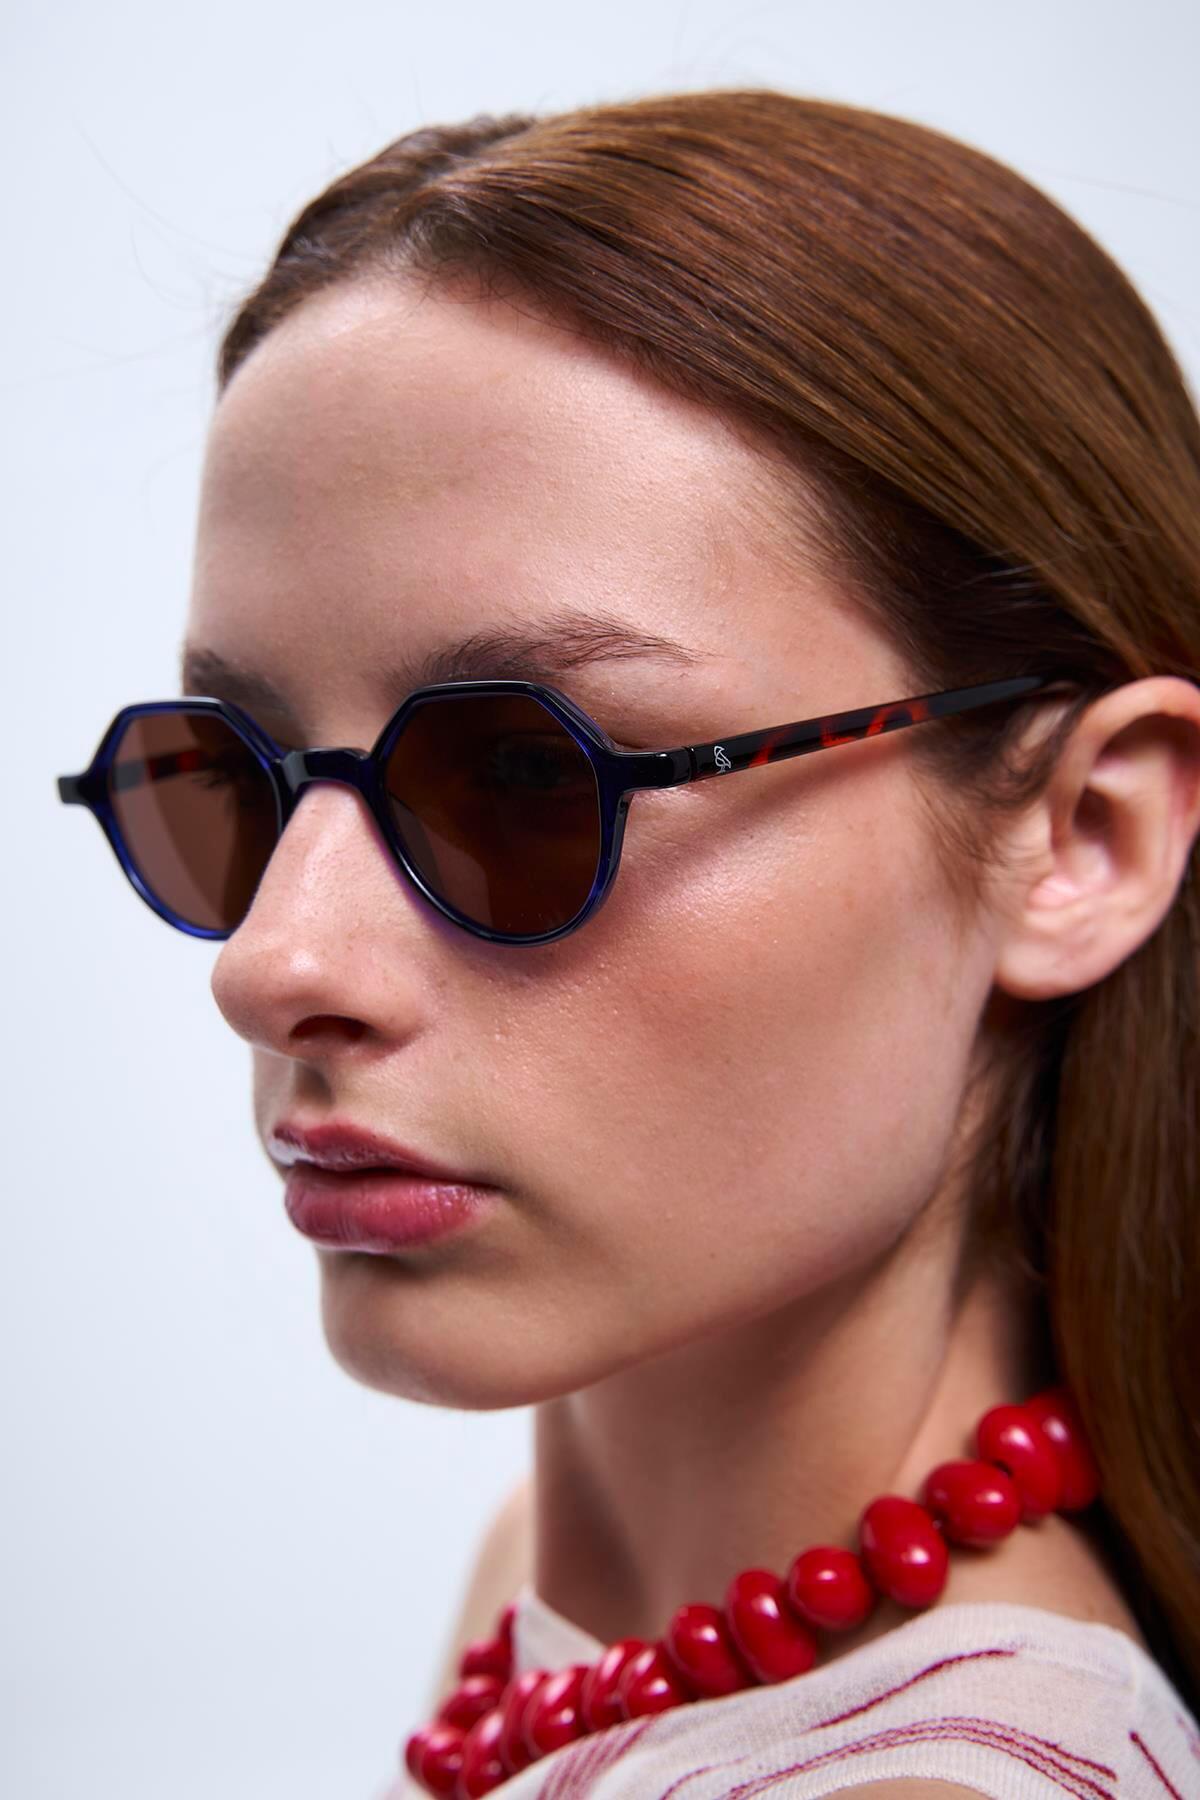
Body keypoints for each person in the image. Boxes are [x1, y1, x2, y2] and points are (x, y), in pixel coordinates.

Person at [57, 88, 1200, 1797]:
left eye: (533, 774)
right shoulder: (564, 1601)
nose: (273, 963)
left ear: (1085, 837)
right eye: (235, 776)